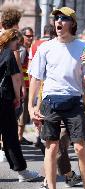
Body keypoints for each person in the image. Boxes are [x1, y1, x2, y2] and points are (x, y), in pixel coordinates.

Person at [28, 7, 85, 189]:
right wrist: (30, 107)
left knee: (80, 147)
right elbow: (36, 78)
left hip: (73, 100)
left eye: (63, 18)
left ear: (72, 23)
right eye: (56, 18)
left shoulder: (83, 47)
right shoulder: (45, 47)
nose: (59, 21)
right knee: (52, 147)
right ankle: (51, 186)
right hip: (50, 102)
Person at [0, 29, 40, 182]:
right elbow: (16, 78)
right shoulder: (9, 54)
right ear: (13, 39)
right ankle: (22, 172)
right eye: (18, 41)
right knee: (10, 136)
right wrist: (18, 97)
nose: (20, 44)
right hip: (4, 99)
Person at [17, 27, 35, 145]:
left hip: (27, 86)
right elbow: (19, 68)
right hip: (22, 86)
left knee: (24, 113)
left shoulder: (27, 49)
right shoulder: (22, 50)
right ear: (23, 36)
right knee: (22, 113)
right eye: (28, 36)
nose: (31, 38)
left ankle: (20, 136)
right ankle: (18, 137)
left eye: (31, 35)